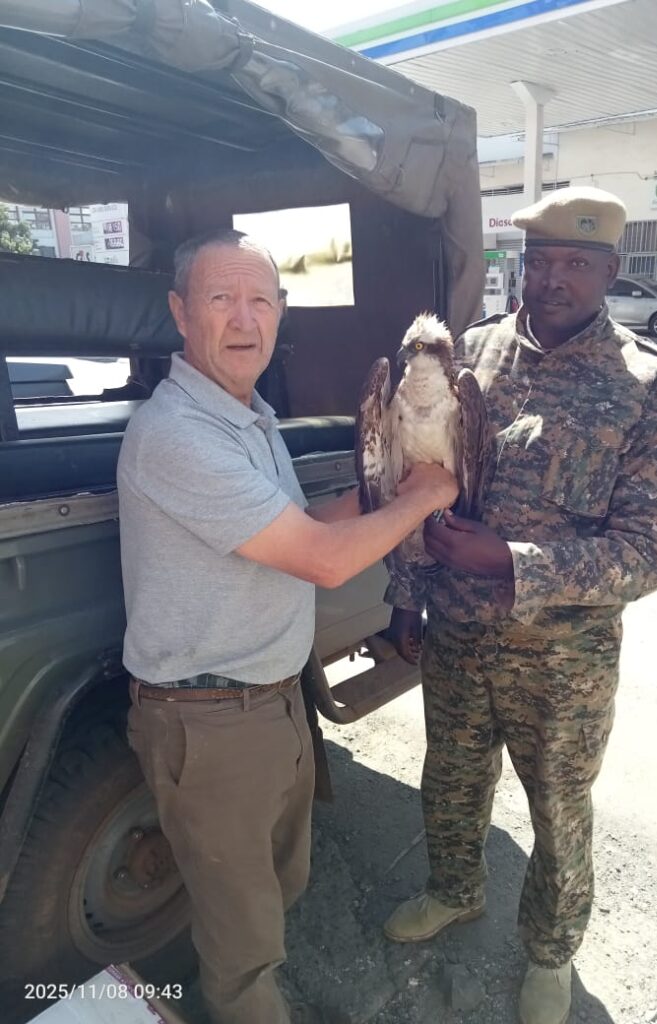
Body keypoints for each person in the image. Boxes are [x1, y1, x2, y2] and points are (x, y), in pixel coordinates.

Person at [116, 228, 457, 1024]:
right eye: (220, 299)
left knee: (276, 886)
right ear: (179, 312)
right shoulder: (177, 435)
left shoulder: (249, 416)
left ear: (280, 312)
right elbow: (327, 561)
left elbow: (299, 526)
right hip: (210, 723)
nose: (244, 319)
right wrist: (426, 496)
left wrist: (387, 489)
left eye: (261, 299)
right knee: (243, 944)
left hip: (270, 703)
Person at [382, 187, 657, 1024]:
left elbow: (654, 548)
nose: (553, 278)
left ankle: (551, 954)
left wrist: (511, 562)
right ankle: (455, 890)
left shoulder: (646, 383)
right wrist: (408, 595)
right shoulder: (467, 357)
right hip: (456, 633)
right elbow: (420, 488)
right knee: (449, 780)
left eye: (576, 264)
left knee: (557, 811)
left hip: (564, 661)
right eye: (542, 260)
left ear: (610, 272)